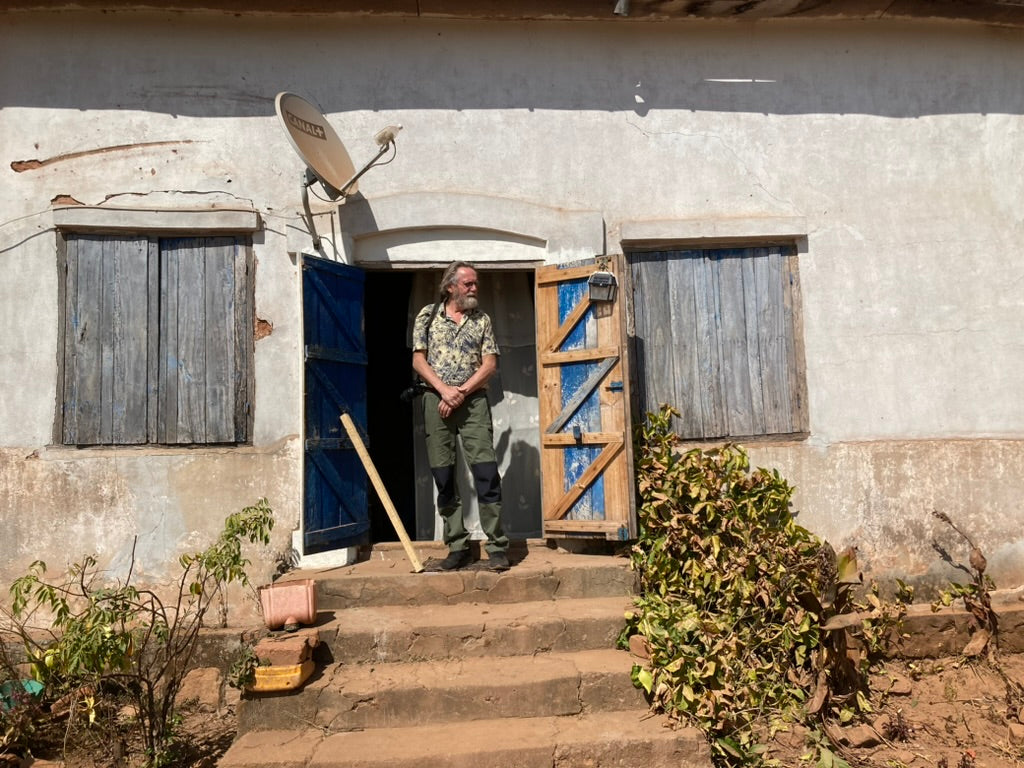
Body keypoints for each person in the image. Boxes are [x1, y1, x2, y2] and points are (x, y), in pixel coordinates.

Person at [411, 261, 510, 571]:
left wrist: (460, 393)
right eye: (468, 283)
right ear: (450, 286)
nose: (474, 288)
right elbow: (418, 361)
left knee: (486, 472)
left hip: (473, 403)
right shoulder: (427, 316)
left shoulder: (482, 320)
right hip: (435, 401)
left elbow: (489, 365)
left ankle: (496, 546)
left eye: (476, 283)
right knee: (444, 476)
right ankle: (457, 546)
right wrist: (444, 391)